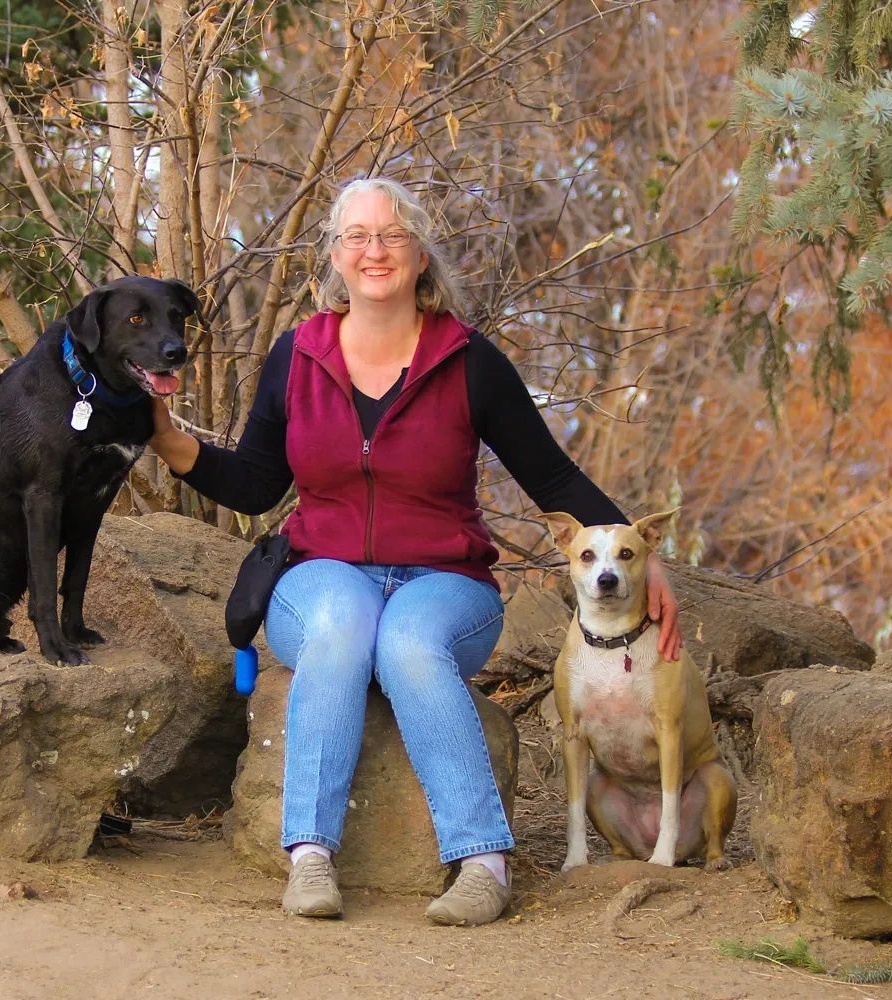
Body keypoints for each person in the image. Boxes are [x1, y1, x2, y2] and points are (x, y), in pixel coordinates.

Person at [146, 177, 681, 926]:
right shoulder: (297, 355)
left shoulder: (468, 362)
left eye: (392, 235)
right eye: (357, 236)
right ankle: (309, 858)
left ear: (420, 252)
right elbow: (258, 483)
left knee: (407, 644)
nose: (375, 251)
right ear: (334, 254)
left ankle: (482, 864)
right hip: (321, 576)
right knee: (343, 624)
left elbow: (552, 476)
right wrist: (173, 443)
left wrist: (644, 561)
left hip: (445, 582)